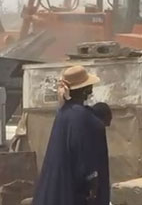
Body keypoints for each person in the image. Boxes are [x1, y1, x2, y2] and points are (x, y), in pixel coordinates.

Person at [32, 65, 109, 205]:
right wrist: (92, 185)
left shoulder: (63, 112)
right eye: (89, 85)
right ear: (86, 90)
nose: (91, 88)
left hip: (57, 188)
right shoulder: (81, 116)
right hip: (74, 191)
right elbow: (84, 155)